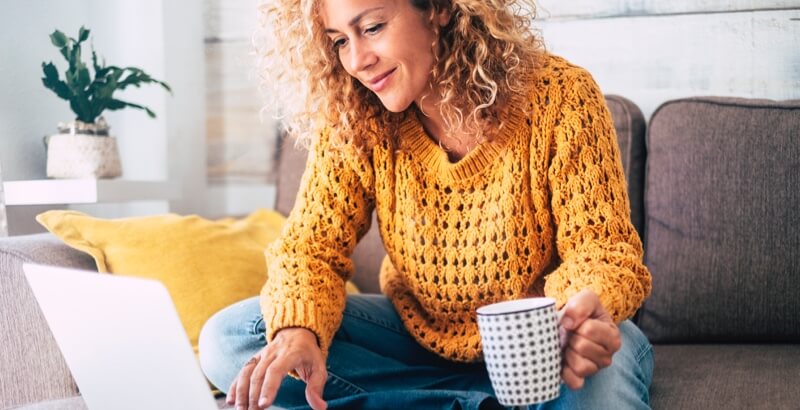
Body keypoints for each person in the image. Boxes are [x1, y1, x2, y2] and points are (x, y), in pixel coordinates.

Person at [199, 0, 654, 409]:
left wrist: (573, 319)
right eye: (339, 40)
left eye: (373, 27)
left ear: (437, 8)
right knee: (231, 338)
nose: (357, 60)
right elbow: (309, 249)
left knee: (605, 371)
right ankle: (477, 403)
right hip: (417, 340)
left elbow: (603, 252)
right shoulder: (357, 118)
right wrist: (298, 330)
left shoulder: (561, 97)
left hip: (542, 343)